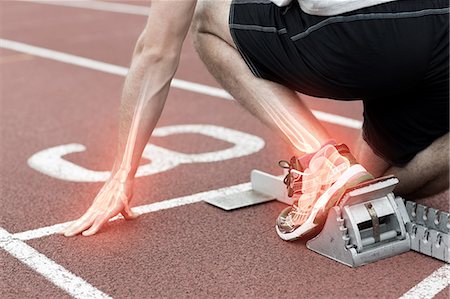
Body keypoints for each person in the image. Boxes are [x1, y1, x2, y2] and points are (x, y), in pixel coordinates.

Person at [62, 0, 449, 239]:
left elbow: (156, 50)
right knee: (368, 183)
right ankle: (343, 176)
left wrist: (121, 175)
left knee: (206, 18)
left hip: (362, 34)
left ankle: (322, 158)